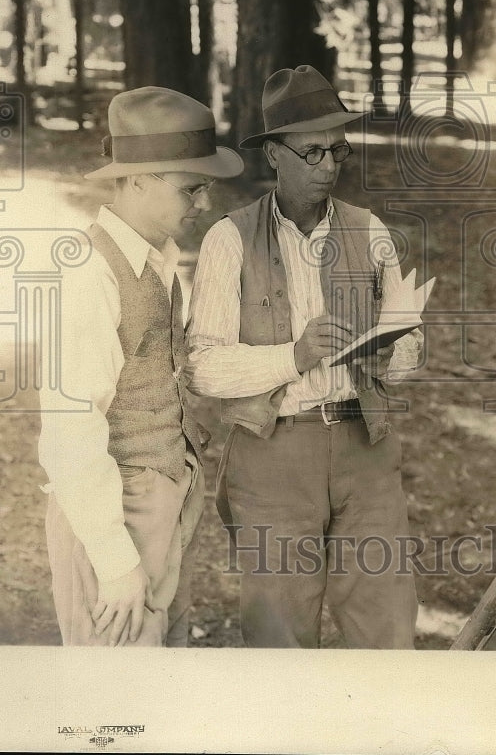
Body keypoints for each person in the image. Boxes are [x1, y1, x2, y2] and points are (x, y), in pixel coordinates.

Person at [186, 65, 422, 648]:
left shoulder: (371, 232)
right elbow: (201, 365)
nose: (328, 168)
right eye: (311, 152)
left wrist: (384, 358)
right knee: (279, 632)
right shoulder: (229, 239)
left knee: (384, 622)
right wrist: (292, 357)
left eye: (337, 152)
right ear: (273, 154)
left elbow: (411, 344)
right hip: (272, 455)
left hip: (365, 448)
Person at [39, 86, 243, 646]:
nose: (204, 204)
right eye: (191, 188)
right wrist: (114, 561)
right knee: (117, 697)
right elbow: (70, 423)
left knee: (160, 679)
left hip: (163, 501)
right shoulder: (88, 271)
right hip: (114, 508)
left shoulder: (156, 259)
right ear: (136, 180)